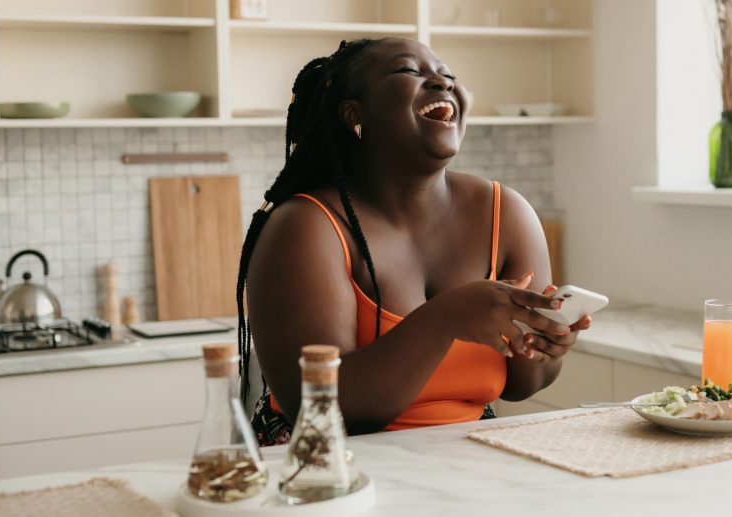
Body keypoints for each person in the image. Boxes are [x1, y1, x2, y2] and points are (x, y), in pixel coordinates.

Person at [236, 37, 592, 446]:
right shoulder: (305, 226)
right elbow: (324, 409)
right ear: (354, 112)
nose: (441, 83)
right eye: (409, 70)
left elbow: (522, 384)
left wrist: (547, 342)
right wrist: (445, 318)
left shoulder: (506, 213)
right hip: (326, 467)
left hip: (462, 459)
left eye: (448, 75)